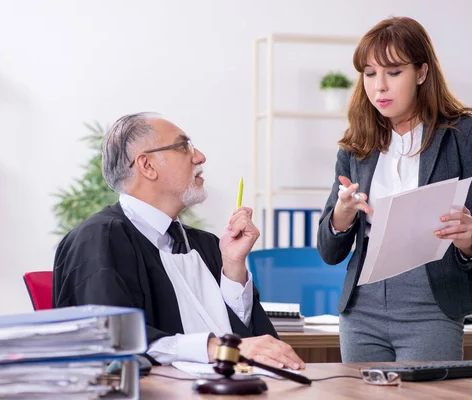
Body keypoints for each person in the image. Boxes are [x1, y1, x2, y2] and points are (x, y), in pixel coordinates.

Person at [53, 112, 305, 370]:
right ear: (147, 165)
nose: (200, 157)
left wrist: (233, 268)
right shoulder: (99, 239)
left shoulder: (207, 244)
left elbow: (244, 337)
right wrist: (219, 348)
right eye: (184, 147)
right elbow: (110, 339)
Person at [317, 17, 472, 362]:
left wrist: (466, 239)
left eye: (394, 72)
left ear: (421, 72)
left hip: (432, 306)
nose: (379, 87)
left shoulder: (463, 134)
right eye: (370, 74)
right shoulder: (357, 144)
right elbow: (329, 252)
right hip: (362, 310)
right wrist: (340, 216)